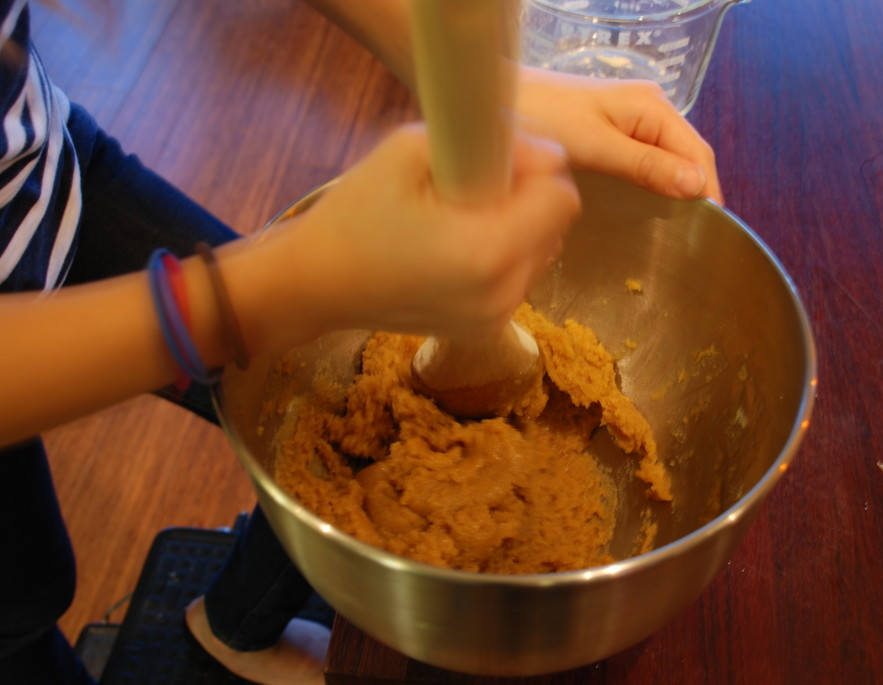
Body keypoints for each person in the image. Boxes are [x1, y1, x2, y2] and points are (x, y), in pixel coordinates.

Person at [0, 1, 722, 683]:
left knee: (307, 412)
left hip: (39, 170)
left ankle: (230, 625)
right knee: (24, 598)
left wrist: (496, 85)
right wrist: (256, 294)